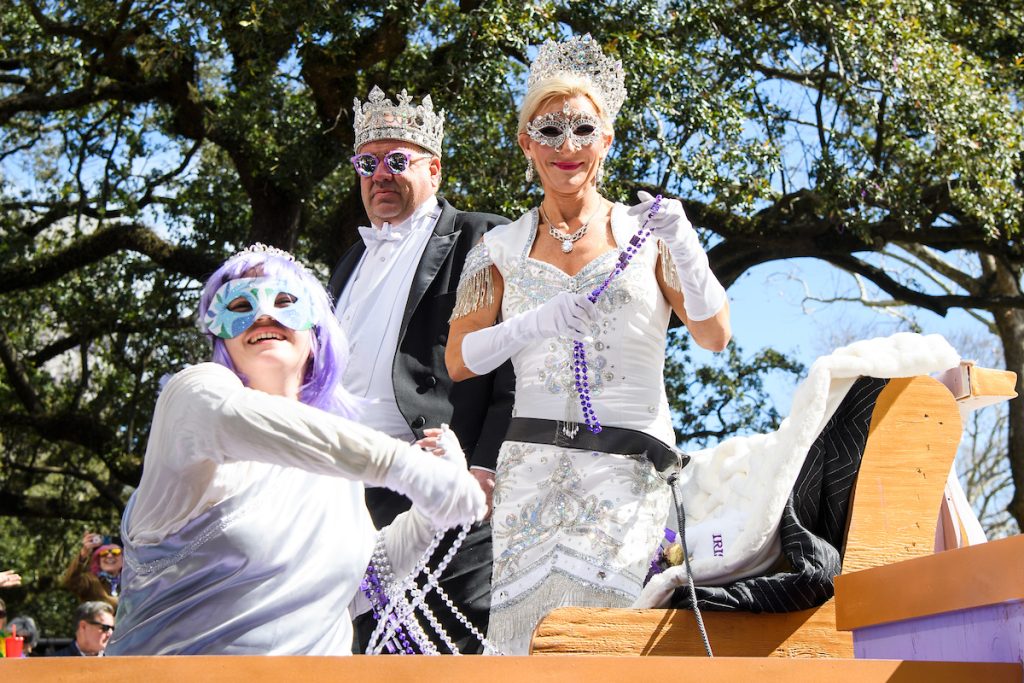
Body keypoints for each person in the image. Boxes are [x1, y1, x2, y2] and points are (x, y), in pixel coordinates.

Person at [446, 34, 731, 654]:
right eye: (549, 130)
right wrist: (533, 323)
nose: (567, 146)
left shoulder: (647, 234)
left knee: (609, 642)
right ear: (526, 144)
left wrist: (683, 244)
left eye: (583, 128)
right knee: (528, 643)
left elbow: (714, 334)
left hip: (628, 476)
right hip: (532, 479)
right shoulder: (497, 249)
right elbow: (459, 361)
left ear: (606, 139)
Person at [105, 244, 485, 655]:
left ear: (316, 331)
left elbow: (358, 583)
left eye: (285, 300)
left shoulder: (337, 464)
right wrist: (406, 467)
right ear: (220, 331)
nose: (264, 314)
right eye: (239, 303)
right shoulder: (193, 395)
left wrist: (430, 514)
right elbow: (235, 416)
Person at [329, 85, 514, 653]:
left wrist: (484, 468)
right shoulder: (348, 263)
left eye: (396, 161)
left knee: (447, 646)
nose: (379, 175)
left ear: (433, 169)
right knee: (359, 651)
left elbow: (519, 371)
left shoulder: (484, 238)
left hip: (443, 480)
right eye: (367, 164)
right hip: (345, 497)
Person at [61, 532, 121, 608]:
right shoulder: (90, 581)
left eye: (116, 552)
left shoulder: (132, 581)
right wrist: (83, 555)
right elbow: (71, 581)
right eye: (104, 553)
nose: (109, 556)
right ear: (98, 559)